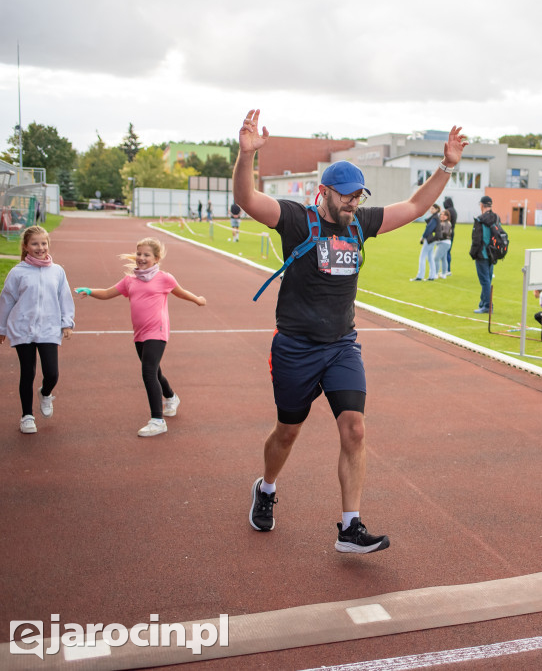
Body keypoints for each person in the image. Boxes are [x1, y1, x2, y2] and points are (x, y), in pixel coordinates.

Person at [233, 109, 467, 553]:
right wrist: (246, 156)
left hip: (342, 345)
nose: (352, 203)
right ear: (324, 193)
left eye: (358, 196)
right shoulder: (296, 219)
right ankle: (265, 488)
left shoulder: (362, 223)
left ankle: (349, 527)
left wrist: (447, 166)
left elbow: (416, 207)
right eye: (345, 196)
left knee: (355, 429)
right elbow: (247, 198)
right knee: (287, 432)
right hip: (296, 348)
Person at [76, 237, 207, 437]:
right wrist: (90, 291)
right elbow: (108, 292)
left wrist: (197, 299)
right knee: (155, 371)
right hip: (140, 334)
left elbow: (180, 293)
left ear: (156, 258)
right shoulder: (130, 280)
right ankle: (171, 397)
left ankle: (157, 420)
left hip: (158, 331)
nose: (141, 258)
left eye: (146, 255)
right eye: (139, 254)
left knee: (148, 372)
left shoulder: (164, 278)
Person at [0, 226, 75, 434]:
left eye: (43, 243)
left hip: (49, 328)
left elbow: (64, 297)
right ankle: (27, 416)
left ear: (48, 245)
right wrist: (1, 327)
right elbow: (6, 300)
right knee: (28, 371)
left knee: (52, 373)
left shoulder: (57, 271)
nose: (40, 247)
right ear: (25, 246)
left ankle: (45, 392)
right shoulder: (18, 272)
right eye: (34, 243)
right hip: (22, 328)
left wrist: (67, 322)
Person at [470, 195, 500, 314]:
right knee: (487, 279)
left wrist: (473, 253)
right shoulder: (496, 217)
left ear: (482, 205)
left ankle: (487, 305)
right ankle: (483, 302)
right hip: (493, 252)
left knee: (485, 280)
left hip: (482, 253)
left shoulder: (480, 219)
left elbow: (476, 239)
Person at [411, 204, 440, 281]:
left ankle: (420, 276)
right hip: (433, 239)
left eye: (433, 208)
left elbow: (429, 228)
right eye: (430, 208)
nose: (431, 210)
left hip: (430, 239)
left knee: (422, 257)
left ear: (437, 209)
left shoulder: (434, 218)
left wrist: (423, 237)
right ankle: (432, 276)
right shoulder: (436, 217)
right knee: (430, 258)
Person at [432, 209, 453, 278]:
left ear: (447, 216)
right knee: (443, 259)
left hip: (444, 242)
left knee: (436, 258)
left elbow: (445, 233)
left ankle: (435, 274)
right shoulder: (443, 223)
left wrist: (437, 235)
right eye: (441, 214)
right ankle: (443, 274)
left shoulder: (446, 223)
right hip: (444, 242)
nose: (442, 216)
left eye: (444, 215)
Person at [443, 196, 457, 273]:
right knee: (447, 251)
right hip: (452, 232)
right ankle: (447, 269)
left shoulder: (448, 211)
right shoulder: (454, 211)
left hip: (447, 232)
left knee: (446, 251)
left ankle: (447, 270)